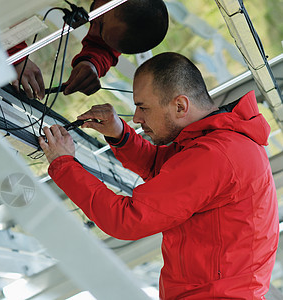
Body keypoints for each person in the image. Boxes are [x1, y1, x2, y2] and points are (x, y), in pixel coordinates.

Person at [38, 52, 279, 299]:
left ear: (180, 105)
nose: (137, 118)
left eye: (143, 108)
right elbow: (164, 168)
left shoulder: (216, 155)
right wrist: (119, 134)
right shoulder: (217, 142)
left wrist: (63, 164)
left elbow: (125, 219)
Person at [8, 0, 168, 99]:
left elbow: (105, 47)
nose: (92, 23)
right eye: (101, 22)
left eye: (102, 31)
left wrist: (92, 63)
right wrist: (16, 52)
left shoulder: (115, 15)